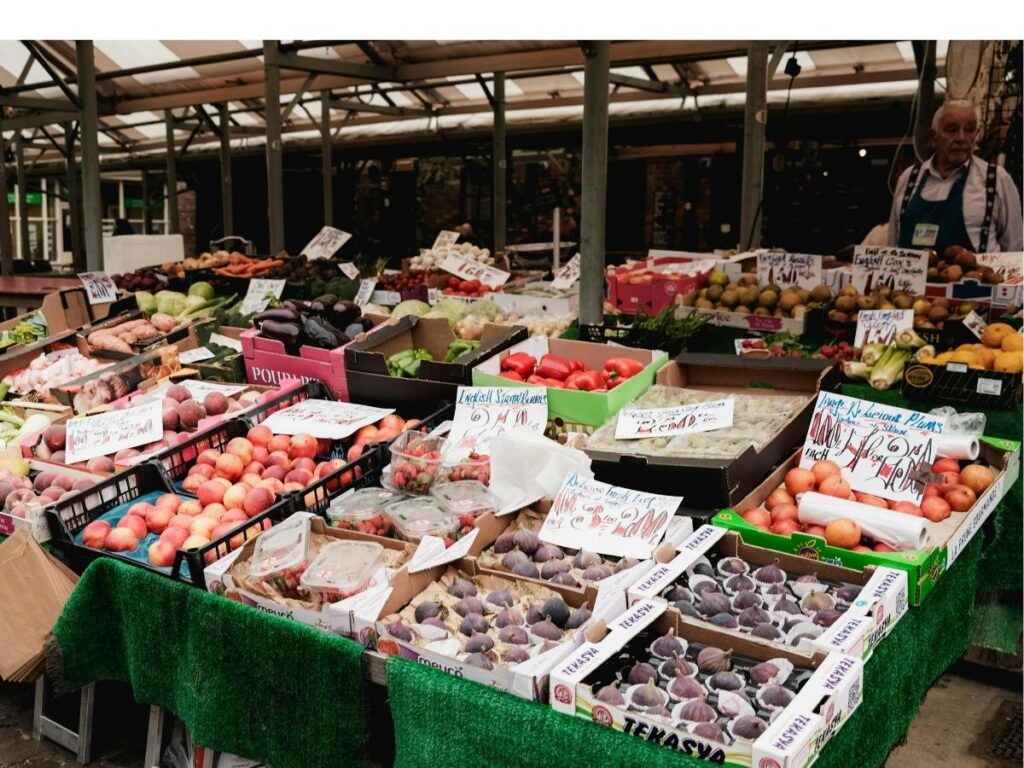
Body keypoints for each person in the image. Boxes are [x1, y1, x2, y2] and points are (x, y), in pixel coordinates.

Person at [887, 99, 1022, 253]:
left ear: (977, 134)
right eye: (952, 130)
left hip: (975, 277)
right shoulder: (909, 178)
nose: (961, 138)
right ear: (933, 137)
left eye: (970, 129)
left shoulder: (995, 179)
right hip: (911, 276)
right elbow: (892, 245)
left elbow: (1014, 249)